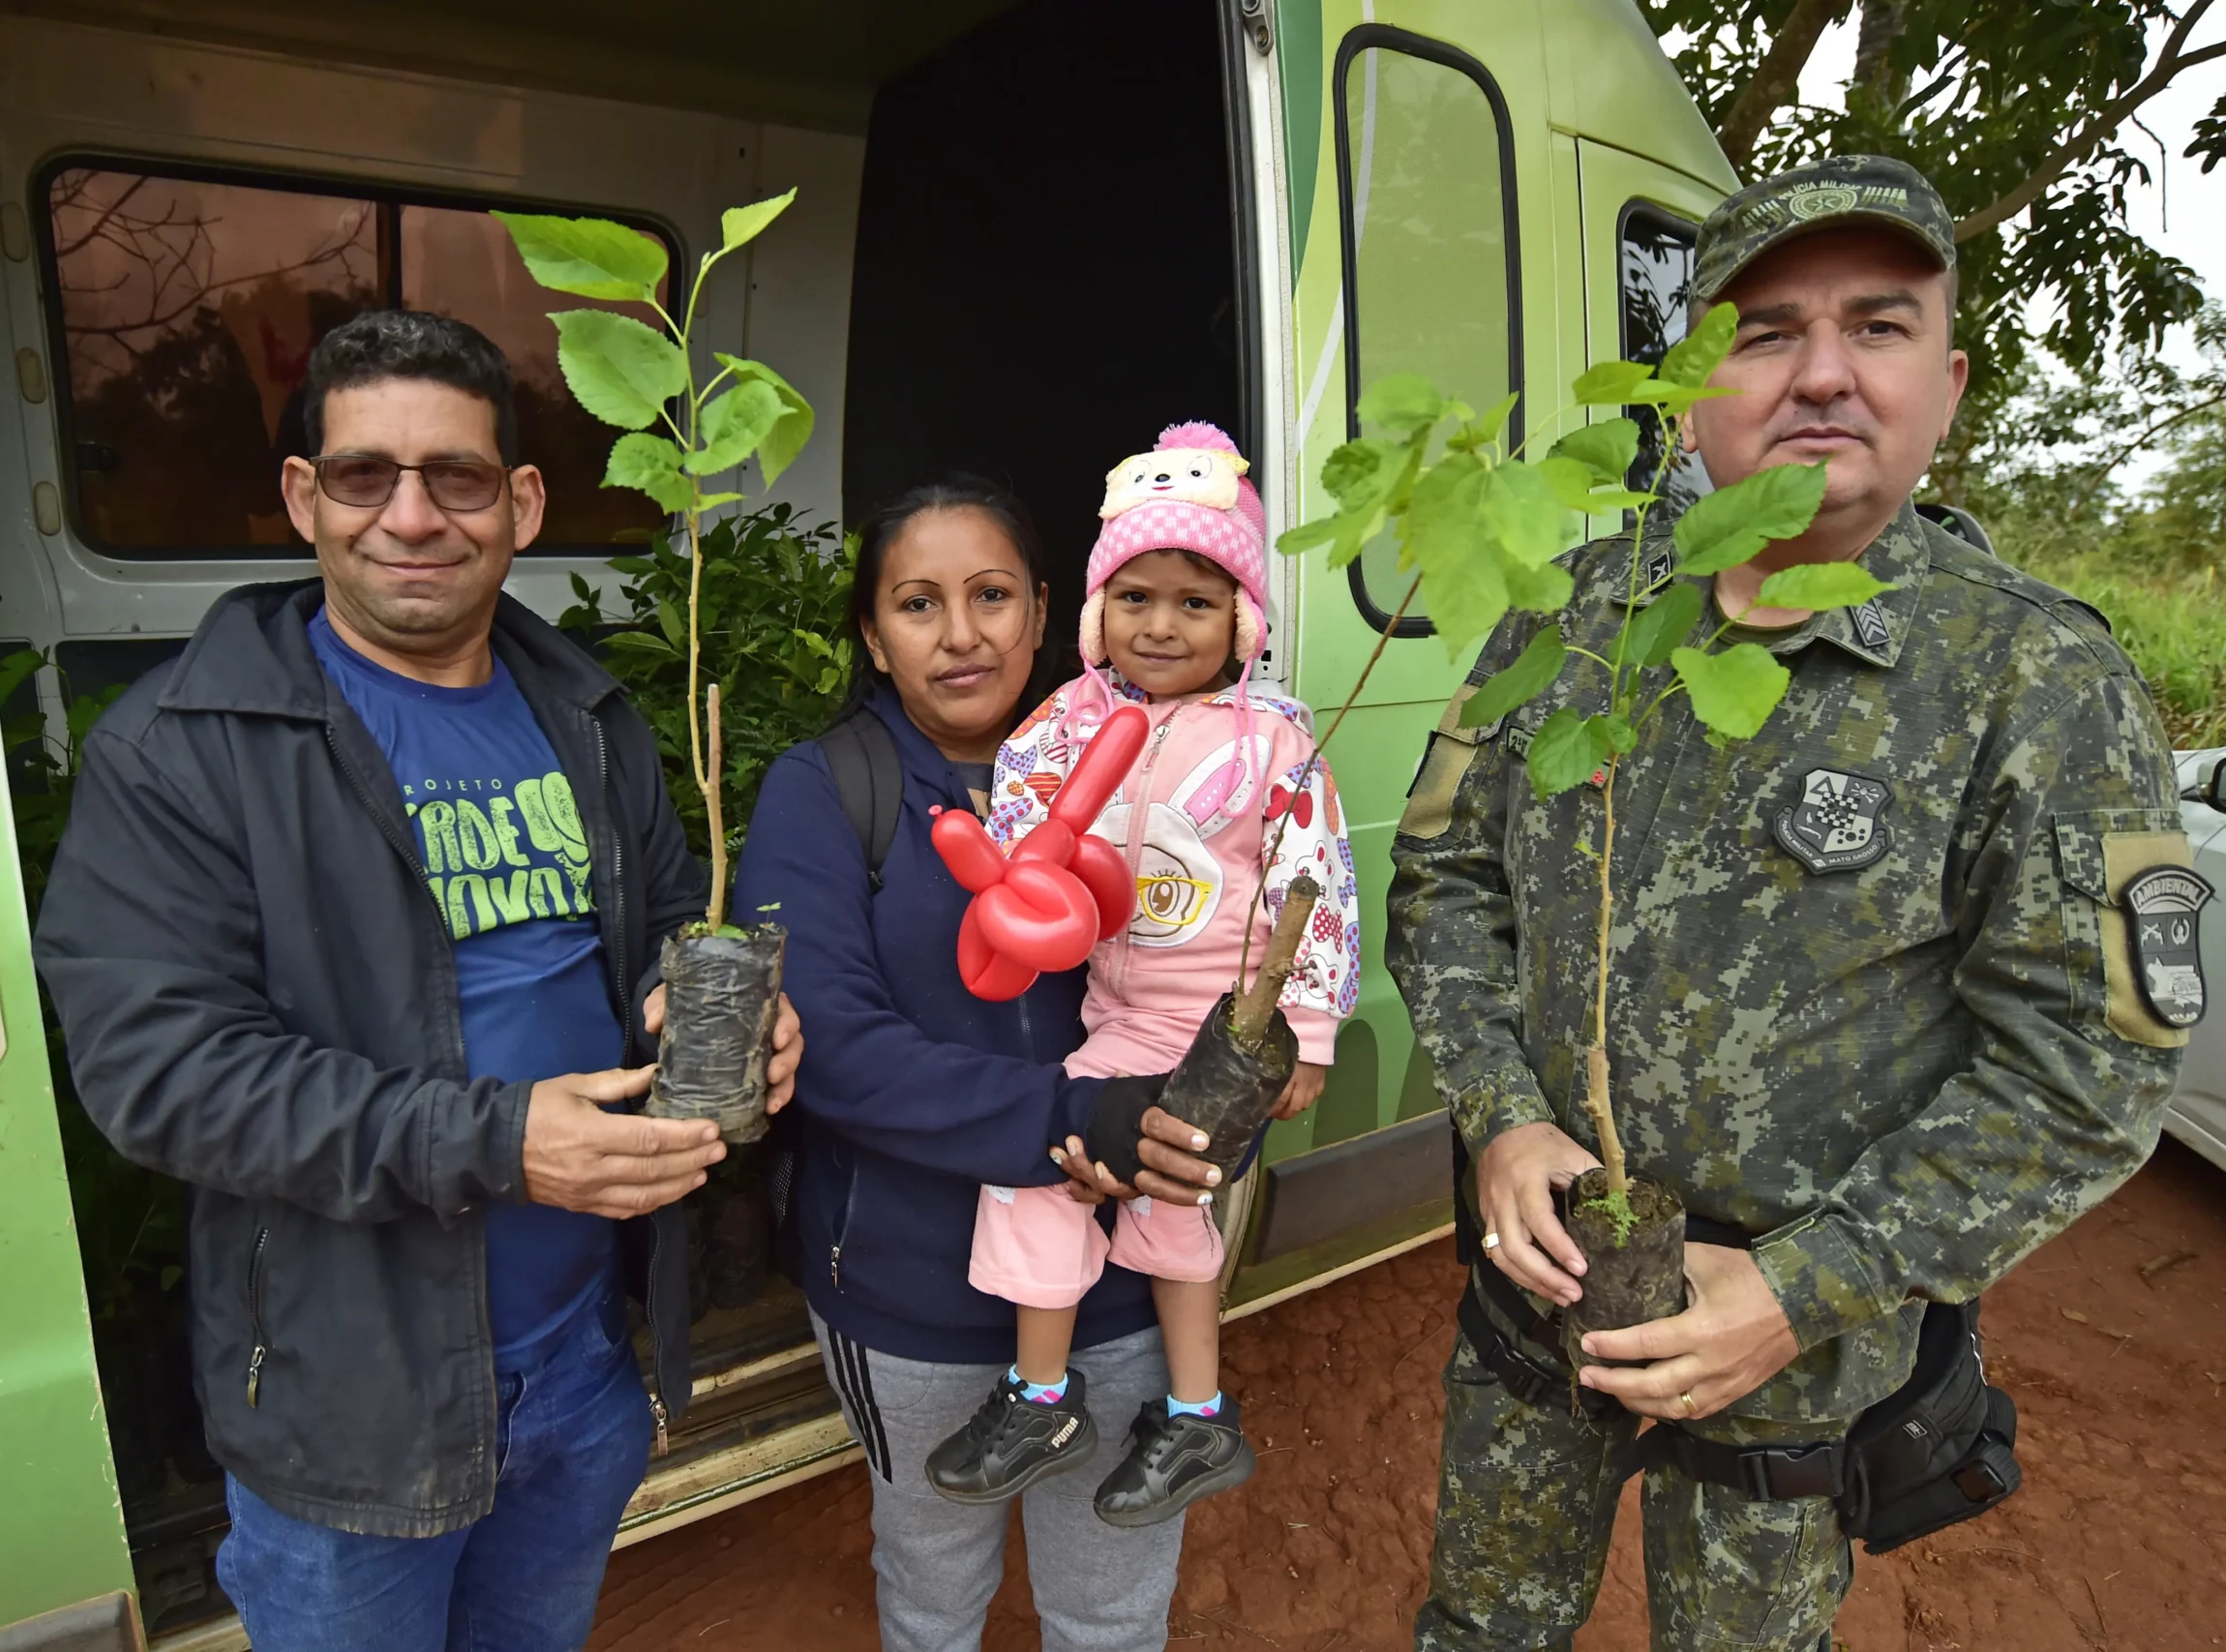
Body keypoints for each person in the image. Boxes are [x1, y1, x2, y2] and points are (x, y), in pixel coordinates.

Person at [1388, 157, 2195, 1650]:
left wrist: (1797, 1284)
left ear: (1947, 383)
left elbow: (2094, 1068)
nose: (1821, 371)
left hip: (1794, 1364)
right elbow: (1445, 873)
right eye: (1763, 333)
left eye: (1877, 327)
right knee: (1481, 1627)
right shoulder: (1576, 611)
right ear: (1693, 388)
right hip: (1536, 1294)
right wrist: (1500, 1109)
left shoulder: (2037, 684)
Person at [34, 310, 801, 1652]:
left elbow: (665, 912)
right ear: (300, 497)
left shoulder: (586, 711)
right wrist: (499, 1140)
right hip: (353, 1397)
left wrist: (716, 1002)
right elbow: (163, 1074)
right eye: (361, 474)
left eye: (455, 475)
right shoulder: (187, 748)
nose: (411, 515)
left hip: (578, 1355)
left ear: (520, 502)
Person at [734, 479, 1226, 1652]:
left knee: (1110, 1612)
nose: (962, 635)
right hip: (910, 1297)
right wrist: (1076, 1119)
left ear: (1049, 610)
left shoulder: (1155, 773)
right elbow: (836, 1050)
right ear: (871, 632)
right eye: (917, 603)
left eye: (993, 595)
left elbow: (1217, 972)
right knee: (931, 1601)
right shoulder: (823, 792)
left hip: (1120, 1291)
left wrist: (1207, 1114)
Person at [924, 424, 1360, 1525]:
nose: (1160, 626)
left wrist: (1302, 1031)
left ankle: (1197, 1416)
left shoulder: (1274, 738)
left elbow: (1314, 883)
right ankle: (1045, 1397)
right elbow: (1024, 814)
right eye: (1135, 597)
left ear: (1243, 621)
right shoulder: (1072, 719)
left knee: (1172, 1207)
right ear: (1094, 612)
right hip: (1113, 1018)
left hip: (1223, 1026)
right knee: (1044, 1166)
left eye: (1196, 602)